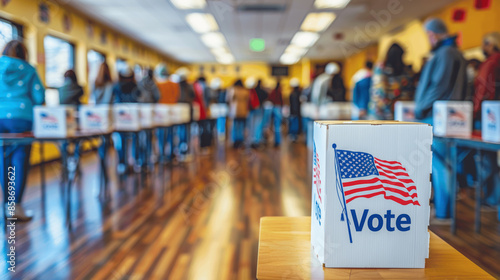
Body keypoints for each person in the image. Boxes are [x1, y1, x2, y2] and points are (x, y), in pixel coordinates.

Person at [414, 18, 467, 219]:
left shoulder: (446, 54)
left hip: (438, 118)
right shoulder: (453, 53)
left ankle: (444, 213)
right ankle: (444, 209)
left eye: (428, 34)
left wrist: (420, 107)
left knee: (441, 165)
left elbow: (439, 86)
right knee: (444, 164)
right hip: (447, 116)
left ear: (434, 34)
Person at [0, 40, 45, 221]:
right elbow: (39, 96)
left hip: (0, 117)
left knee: (3, 160)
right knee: (20, 161)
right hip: (21, 118)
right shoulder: (28, 69)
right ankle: (15, 207)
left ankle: (6, 205)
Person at [472, 32, 500, 207]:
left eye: (484, 44)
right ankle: (493, 198)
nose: (482, 48)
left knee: (485, 157)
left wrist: (474, 110)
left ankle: (491, 198)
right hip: (495, 113)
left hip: (487, 115)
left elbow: (482, 89)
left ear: (490, 44)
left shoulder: (490, 62)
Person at [369, 43, 415, 120]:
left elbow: (378, 91)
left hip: (380, 112)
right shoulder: (404, 72)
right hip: (386, 112)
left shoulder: (380, 68)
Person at [112, 66, 141, 174]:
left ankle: (122, 163)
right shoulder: (136, 86)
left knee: (121, 140)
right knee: (135, 139)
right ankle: (137, 161)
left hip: (120, 117)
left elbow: (113, 100)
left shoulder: (116, 86)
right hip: (133, 117)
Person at [155, 64, 179, 162]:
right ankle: (171, 153)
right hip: (172, 111)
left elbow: (156, 98)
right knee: (171, 132)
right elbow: (177, 96)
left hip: (161, 112)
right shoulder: (174, 84)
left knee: (161, 133)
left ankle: (162, 154)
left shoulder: (157, 84)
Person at [138, 68, 160, 170]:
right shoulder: (153, 84)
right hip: (150, 111)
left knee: (140, 135)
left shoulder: (140, 82)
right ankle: (149, 157)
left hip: (141, 111)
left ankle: (140, 159)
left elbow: (136, 95)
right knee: (149, 135)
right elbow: (158, 96)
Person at [228, 79, 250, 148]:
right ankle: (241, 140)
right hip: (244, 111)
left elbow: (229, 99)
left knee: (235, 126)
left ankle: (235, 141)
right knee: (241, 126)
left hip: (235, 111)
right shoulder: (245, 90)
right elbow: (248, 100)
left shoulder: (233, 90)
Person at [267, 80, 283, 147]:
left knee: (273, 125)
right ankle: (277, 141)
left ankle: (275, 140)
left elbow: (270, 98)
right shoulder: (279, 92)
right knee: (277, 126)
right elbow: (281, 101)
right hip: (278, 108)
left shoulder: (273, 91)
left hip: (273, 108)